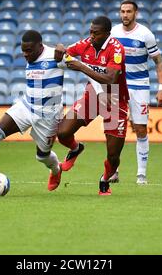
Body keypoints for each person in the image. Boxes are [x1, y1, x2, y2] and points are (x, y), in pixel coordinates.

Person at [0, 30, 67, 191]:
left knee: (42, 156)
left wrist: (66, 51)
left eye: (29, 50)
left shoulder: (56, 56)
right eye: (23, 50)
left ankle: (56, 169)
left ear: (40, 46)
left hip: (48, 115)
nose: (25, 54)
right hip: (27, 105)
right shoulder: (31, 55)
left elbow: (79, 65)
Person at [54, 16, 128, 196]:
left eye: (96, 33)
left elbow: (111, 78)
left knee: (113, 155)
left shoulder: (116, 49)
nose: (92, 36)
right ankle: (75, 148)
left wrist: (82, 67)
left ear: (107, 34)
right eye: (90, 32)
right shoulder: (86, 44)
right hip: (93, 96)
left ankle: (105, 179)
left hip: (115, 99)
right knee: (62, 132)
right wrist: (59, 50)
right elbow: (64, 52)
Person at [110, 0, 162, 185]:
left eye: (128, 11)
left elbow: (159, 62)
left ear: (136, 13)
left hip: (139, 86)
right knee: (113, 129)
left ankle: (141, 174)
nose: (125, 15)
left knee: (140, 129)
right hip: (118, 86)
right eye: (122, 11)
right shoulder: (113, 32)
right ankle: (113, 172)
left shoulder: (145, 34)